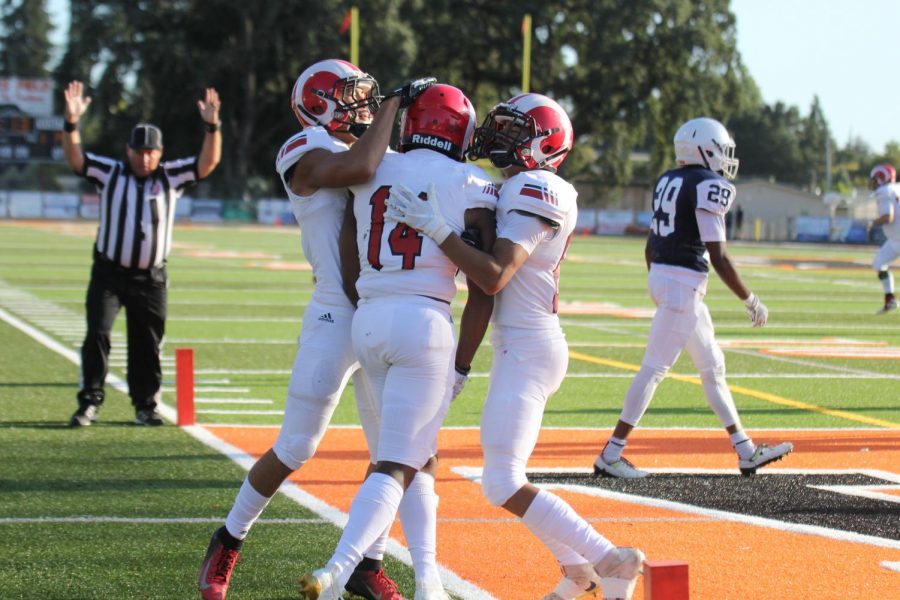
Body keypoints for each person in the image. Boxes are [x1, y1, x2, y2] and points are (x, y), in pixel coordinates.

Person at [387, 93, 645, 600]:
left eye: (513, 131)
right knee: (505, 476)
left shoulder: (538, 187)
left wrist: (434, 227)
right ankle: (577, 573)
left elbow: (494, 276)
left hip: (530, 349)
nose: (499, 138)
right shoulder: (518, 187)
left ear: (545, 143)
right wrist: (461, 364)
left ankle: (611, 558)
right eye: (499, 128)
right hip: (520, 346)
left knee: (502, 482)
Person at [197, 59, 433, 600]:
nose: (364, 103)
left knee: (391, 453)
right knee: (296, 446)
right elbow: (358, 166)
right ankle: (228, 538)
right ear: (319, 102)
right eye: (351, 95)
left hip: (384, 310)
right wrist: (396, 104)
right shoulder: (303, 149)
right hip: (335, 311)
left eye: (368, 96)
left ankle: (367, 565)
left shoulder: (376, 150)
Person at [299, 83, 497, 600]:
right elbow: (485, 283)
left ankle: (428, 582)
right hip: (423, 322)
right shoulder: (472, 181)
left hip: (368, 319)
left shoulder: (375, 165)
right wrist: (462, 365)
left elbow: (348, 254)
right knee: (397, 463)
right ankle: (338, 570)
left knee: (418, 455)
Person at [592, 117, 793, 480]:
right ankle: (611, 453)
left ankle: (745, 450)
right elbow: (719, 257)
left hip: (671, 280)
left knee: (712, 366)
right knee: (654, 369)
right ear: (705, 148)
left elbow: (652, 242)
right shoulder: (708, 185)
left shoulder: (668, 179)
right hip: (683, 283)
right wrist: (750, 299)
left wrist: (659, 280)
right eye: (721, 149)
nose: (725, 158)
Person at [62, 80, 222, 427]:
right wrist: (72, 123)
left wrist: (212, 127)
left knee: (147, 343)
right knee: (98, 334)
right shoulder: (111, 172)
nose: (145, 157)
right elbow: (76, 160)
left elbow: (206, 164)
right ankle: (89, 401)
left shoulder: (170, 176)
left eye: (151, 152)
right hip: (109, 272)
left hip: (151, 277)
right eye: (139, 152)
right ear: (128, 150)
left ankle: (145, 405)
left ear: (160, 152)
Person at [869, 163, 899, 314]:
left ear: (882, 178)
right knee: (878, 263)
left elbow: (888, 217)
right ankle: (890, 299)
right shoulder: (896, 188)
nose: (873, 183)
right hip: (895, 239)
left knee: (879, 264)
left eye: (875, 179)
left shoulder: (884, 191)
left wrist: (872, 222)